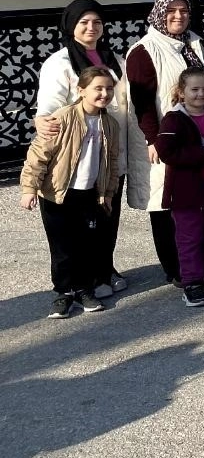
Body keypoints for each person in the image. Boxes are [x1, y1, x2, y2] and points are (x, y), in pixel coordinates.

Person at [34, 0, 143, 300]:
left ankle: (104, 269)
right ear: (71, 26)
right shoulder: (59, 63)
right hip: (78, 157)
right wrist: (43, 122)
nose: (91, 28)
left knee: (106, 215)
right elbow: (51, 107)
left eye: (96, 22)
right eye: (83, 22)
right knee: (77, 222)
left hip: (110, 152)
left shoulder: (115, 60)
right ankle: (79, 280)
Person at [19, 66, 120, 319]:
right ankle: (63, 293)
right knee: (62, 246)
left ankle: (84, 289)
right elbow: (39, 154)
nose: (104, 93)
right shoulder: (63, 117)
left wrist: (108, 193)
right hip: (58, 193)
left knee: (87, 244)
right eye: (98, 88)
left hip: (89, 194)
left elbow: (112, 162)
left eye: (109, 88)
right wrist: (29, 188)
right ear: (81, 90)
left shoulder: (110, 124)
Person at [125, 0, 204, 286]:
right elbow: (142, 101)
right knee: (165, 202)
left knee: (191, 199)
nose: (178, 16)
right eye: (171, 11)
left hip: (195, 134)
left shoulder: (192, 43)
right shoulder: (144, 51)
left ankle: (195, 259)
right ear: (159, 14)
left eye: (183, 10)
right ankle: (174, 267)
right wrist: (153, 139)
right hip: (163, 137)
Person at [155, 66, 204, 308]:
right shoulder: (173, 118)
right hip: (186, 190)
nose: (200, 94)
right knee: (190, 237)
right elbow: (167, 152)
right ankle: (192, 282)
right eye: (194, 89)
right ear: (182, 91)